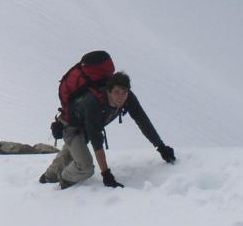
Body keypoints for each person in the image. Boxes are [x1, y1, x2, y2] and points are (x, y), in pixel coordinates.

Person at [39, 71, 175, 189]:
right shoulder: (93, 103)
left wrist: (161, 147)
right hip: (70, 126)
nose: (121, 97)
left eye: (124, 92)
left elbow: (143, 121)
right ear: (108, 91)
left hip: (86, 126)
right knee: (85, 167)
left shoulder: (129, 98)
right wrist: (106, 174)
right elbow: (96, 141)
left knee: (72, 152)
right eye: (116, 92)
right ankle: (64, 181)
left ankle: (47, 177)